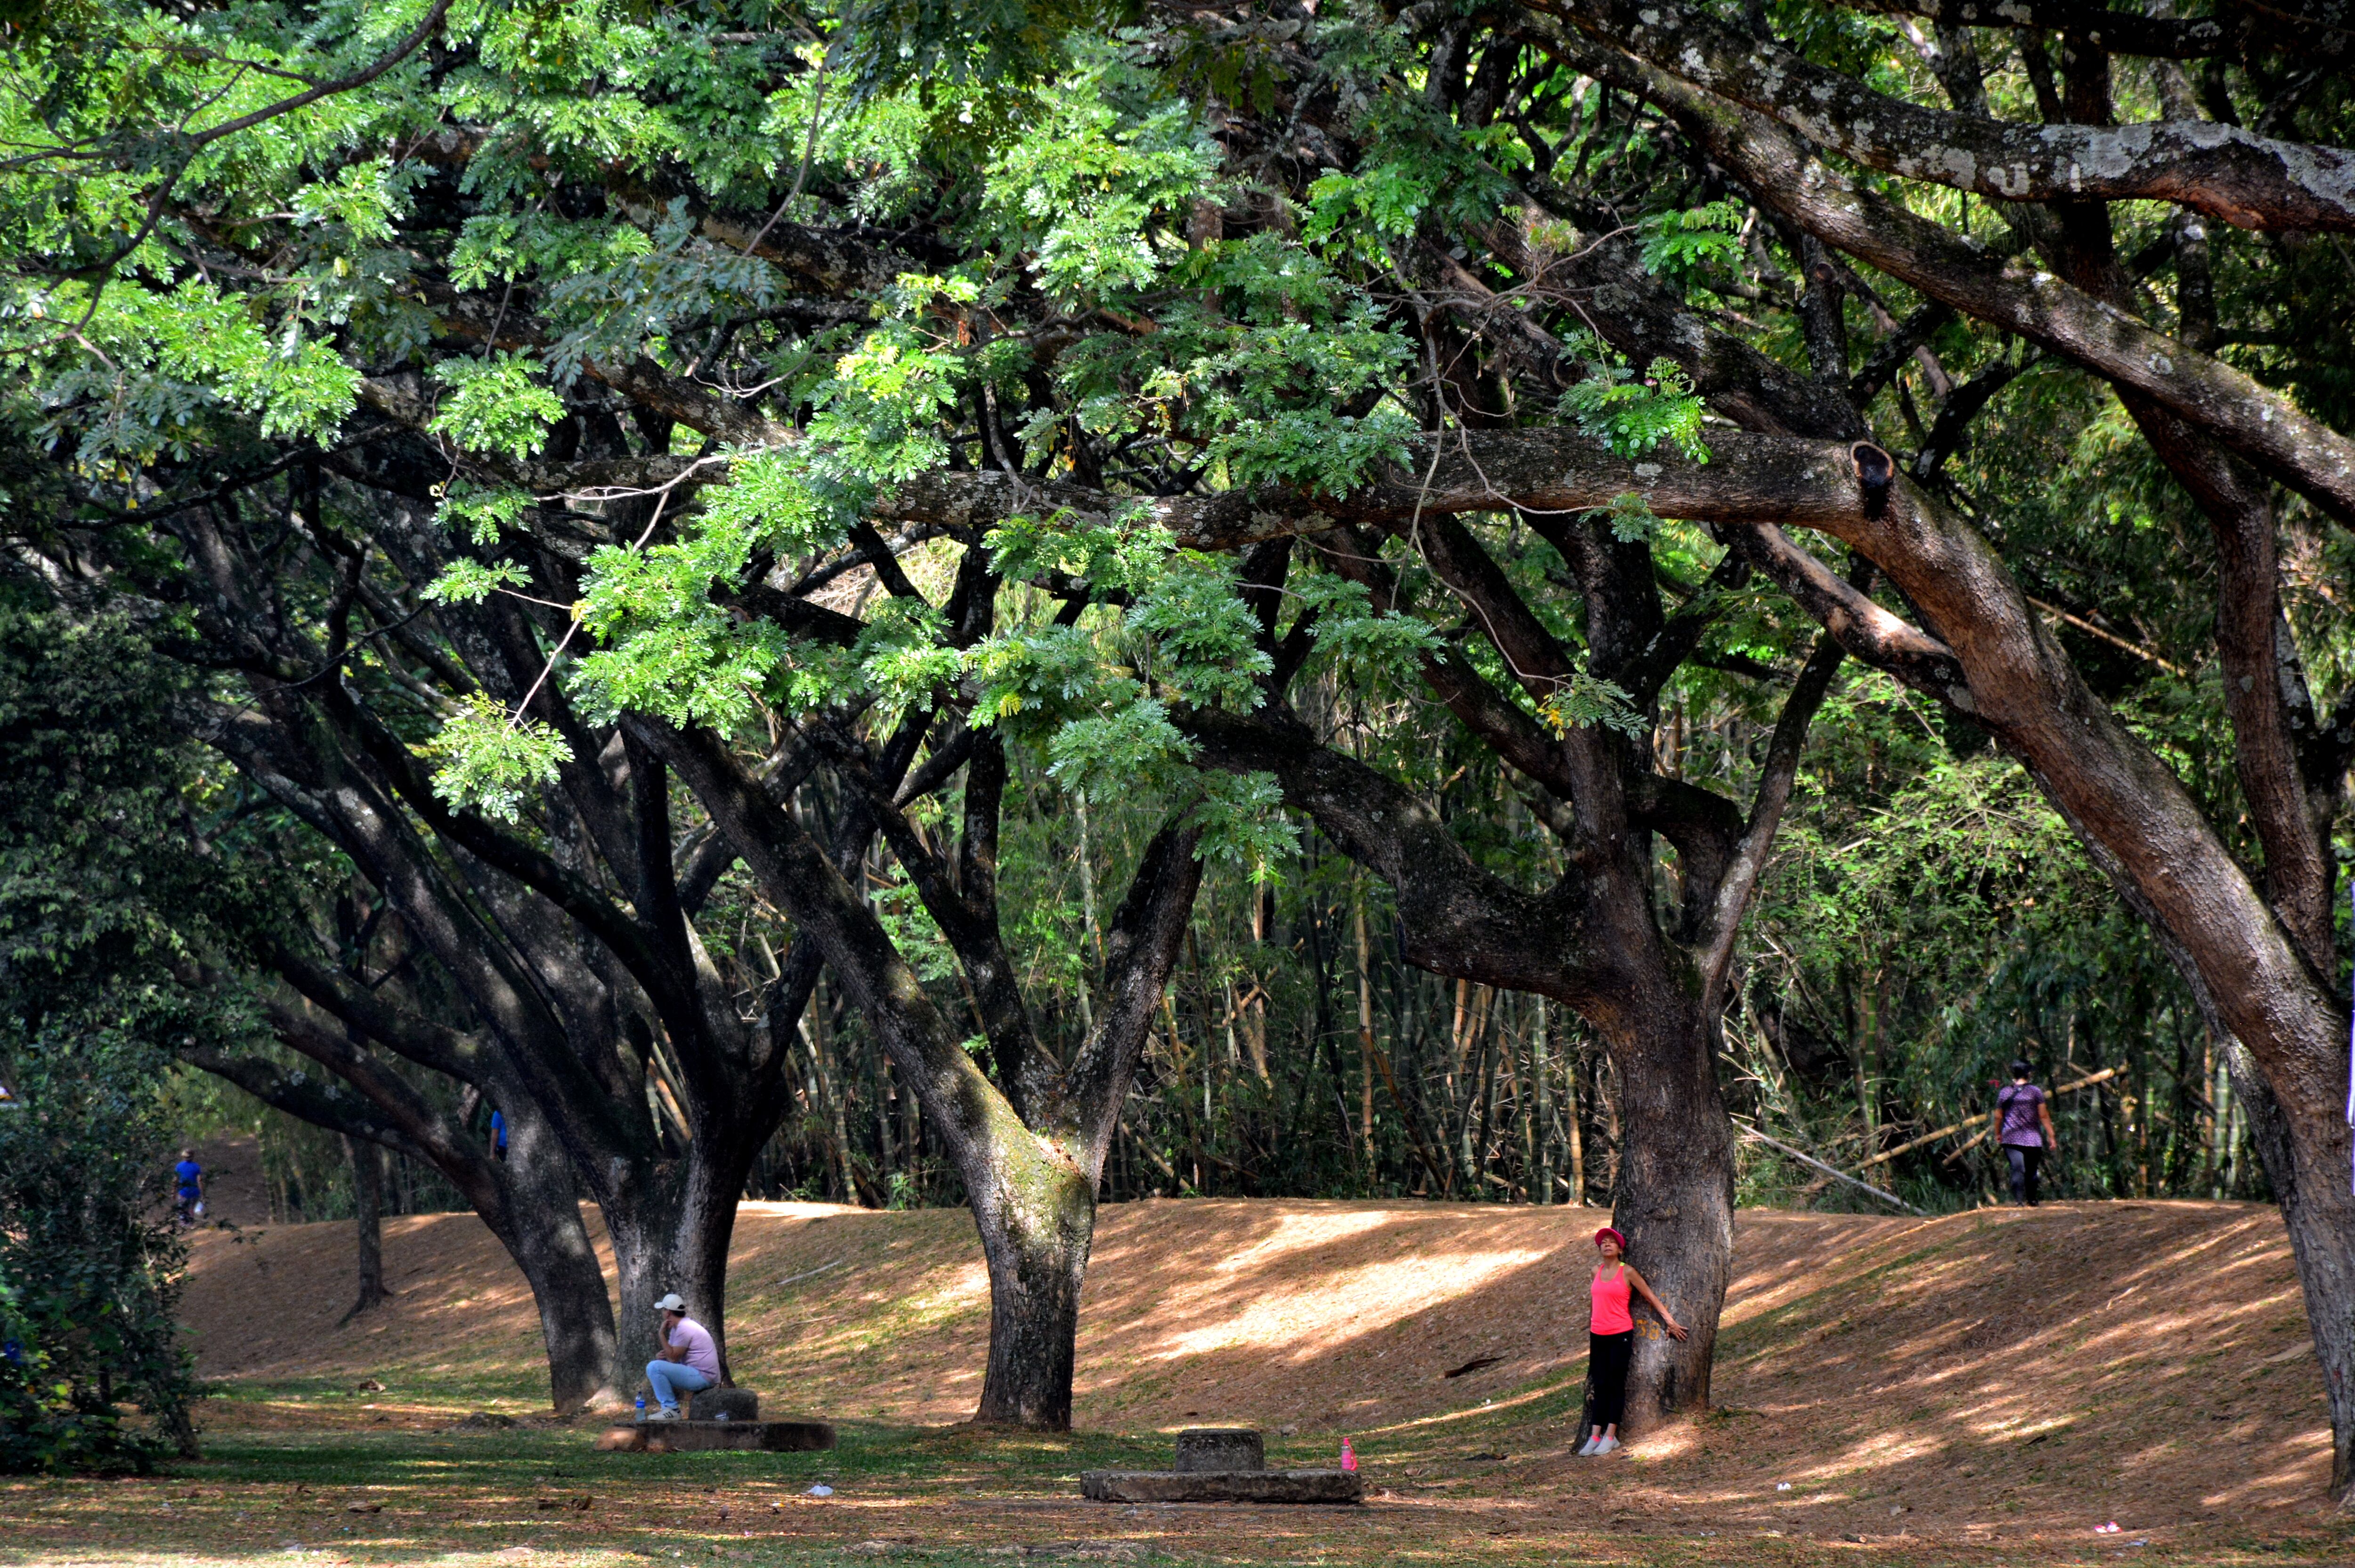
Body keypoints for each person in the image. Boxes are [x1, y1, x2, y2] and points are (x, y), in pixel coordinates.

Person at [1579, 1226, 1685, 1457]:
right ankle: (1594, 1436)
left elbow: (1650, 1296)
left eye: (1611, 1242)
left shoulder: (1628, 1272)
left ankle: (1611, 1436)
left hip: (1620, 1334)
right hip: (1598, 1335)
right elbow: (1594, 1301)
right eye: (1603, 1242)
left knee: (1616, 1384)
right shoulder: (1594, 1271)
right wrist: (1590, 1323)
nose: (1606, 1244)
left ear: (1619, 1249)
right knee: (1600, 1384)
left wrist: (1670, 1322)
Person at [643, 1293, 721, 1419]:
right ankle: (670, 1409)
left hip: (703, 1376)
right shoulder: (679, 1328)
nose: (662, 1313)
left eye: (663, 1310)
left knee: (654, 1367)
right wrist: (663, 1357)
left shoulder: (684, 1328)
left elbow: (673, 1357)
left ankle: (671, 1410)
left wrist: (661, 1335)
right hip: (701, 1374)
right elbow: (672, 1358)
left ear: (668, 1312)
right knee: (656, 1366)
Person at [1996, 1060, 2058, 1206]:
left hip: (2011, 1138)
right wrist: (2051, 1135)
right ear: (2028, 1074)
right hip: (2032, 1138)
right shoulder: (2035, 1092)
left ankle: (2019, 1202)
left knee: (2017, 1169)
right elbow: (2043, 1115)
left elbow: (1998, 1116)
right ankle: (2032, 1200)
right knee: (2032, 1170)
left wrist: (1998, 1133)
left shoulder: (2005, 1092)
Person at [172, 1148, 205, 1227]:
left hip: (183, 1192)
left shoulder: (179, 1166)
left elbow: (175, 1180)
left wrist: (173, 1192)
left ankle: (183, 1225)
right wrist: (203, 1193)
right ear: (193, 1157)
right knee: (191, 1208)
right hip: (194, 1192)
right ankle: (190, 1224)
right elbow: (200, 1181)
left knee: (182, 1209)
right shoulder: (196, 1167)